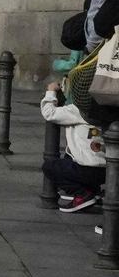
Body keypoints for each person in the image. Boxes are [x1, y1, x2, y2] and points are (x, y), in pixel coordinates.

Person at [41, 82, 106, 210]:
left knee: (49, 167)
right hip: (108, 171)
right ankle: (93, 190)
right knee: (70, 155)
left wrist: (51, 91)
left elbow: (49, 113)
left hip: (87, 170)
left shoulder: (77, 110)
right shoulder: (107, 110)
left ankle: (82, 194)